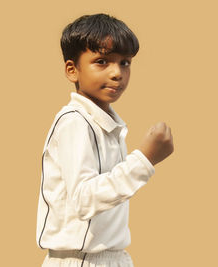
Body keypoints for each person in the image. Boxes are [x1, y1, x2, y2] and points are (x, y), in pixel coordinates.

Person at [36, 13, 174, 267]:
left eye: (125, 62)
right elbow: (84, 199)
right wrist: (144, 159)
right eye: (101, 61)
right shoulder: (74, 121)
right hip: (78, 260)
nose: (117, 73)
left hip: (111, 257)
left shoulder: (108, 124)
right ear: (72, 70)